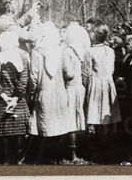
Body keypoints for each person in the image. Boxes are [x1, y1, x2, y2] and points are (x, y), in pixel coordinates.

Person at [29, 21, 74, 164]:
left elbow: (33, 76)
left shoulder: (36, 52)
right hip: (60, 93)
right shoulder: (61, 50)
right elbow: (69, 73)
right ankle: (58, 156)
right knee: (59, 125)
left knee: (45, 125)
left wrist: (31, 92)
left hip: (44, 93)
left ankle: (46, 157)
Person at [0, 31, 30, 165]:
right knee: (18, 131)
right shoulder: (22, 57)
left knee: (5, 132)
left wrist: (4, 95)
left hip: (3, 99)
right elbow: (24, 81)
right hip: (18, 99)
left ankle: (6, 160)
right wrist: (15, 98)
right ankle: (17, 159)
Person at [82, 22, 122, 152]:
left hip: (96, 84)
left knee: (97, 112)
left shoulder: (89, 51)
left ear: (94, 35)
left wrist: (86, 86)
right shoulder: (110, 51)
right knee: (106, 111)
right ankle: (105, 142)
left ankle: (103, 143)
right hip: (108, 83)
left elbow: (86, 73)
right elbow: (111, 70)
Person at [63, 22, 90, 162]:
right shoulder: (84, 50)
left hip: (70, 88)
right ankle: (82, 147)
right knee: (79, 117)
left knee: (70, 120)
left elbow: (68, 74)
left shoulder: (68, 51)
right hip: (81, 88)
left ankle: (71, 151)